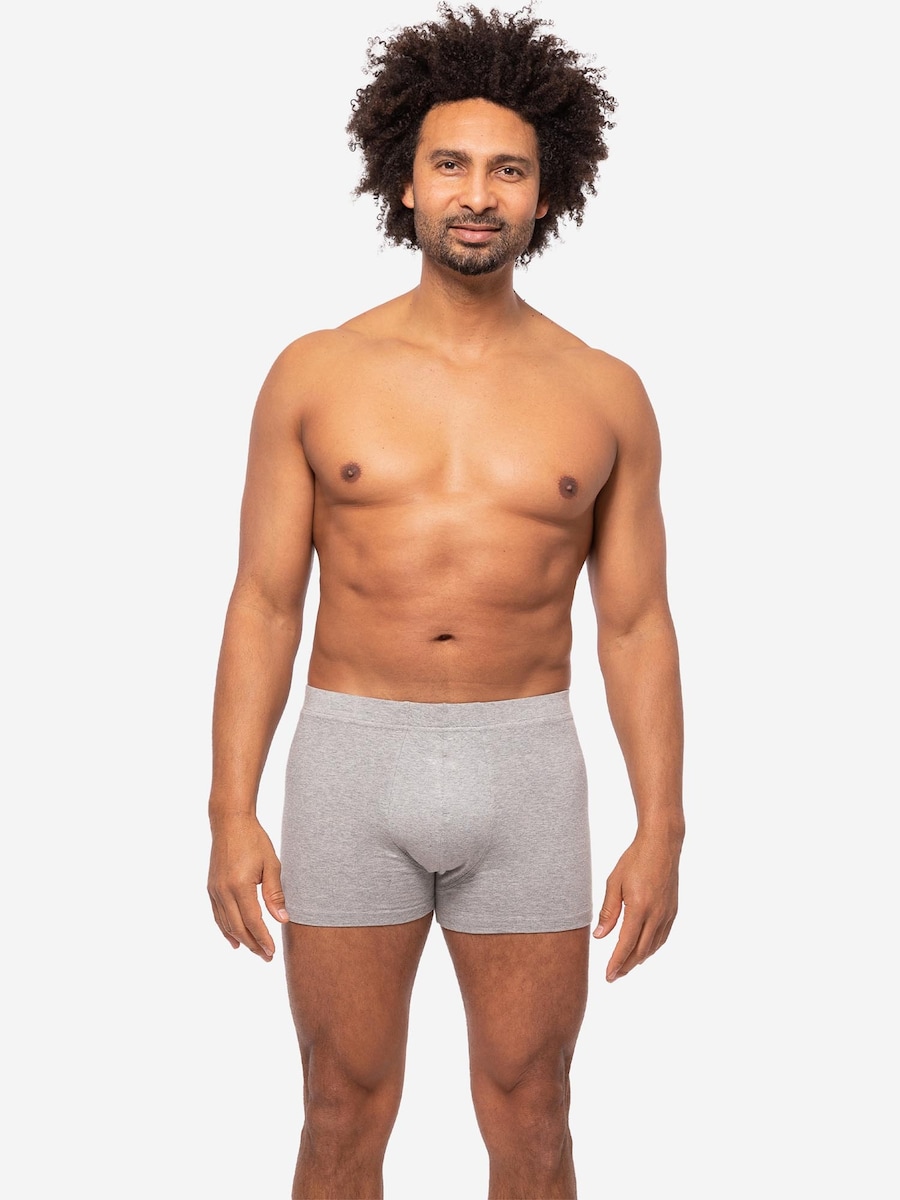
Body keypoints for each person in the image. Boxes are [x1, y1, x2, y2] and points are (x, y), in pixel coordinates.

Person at [206, 6, 684, 1198]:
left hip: (526, 766)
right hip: (351, 758)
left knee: (535, 1116)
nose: (479, 194)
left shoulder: (605, 394)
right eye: (452, 165)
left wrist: (663, 827)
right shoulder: (315, 373)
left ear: (546, 191)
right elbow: (264, 603)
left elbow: (635, 625)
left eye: (508, 170)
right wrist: (229, 808)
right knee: (339, 1108)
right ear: (405, 184)